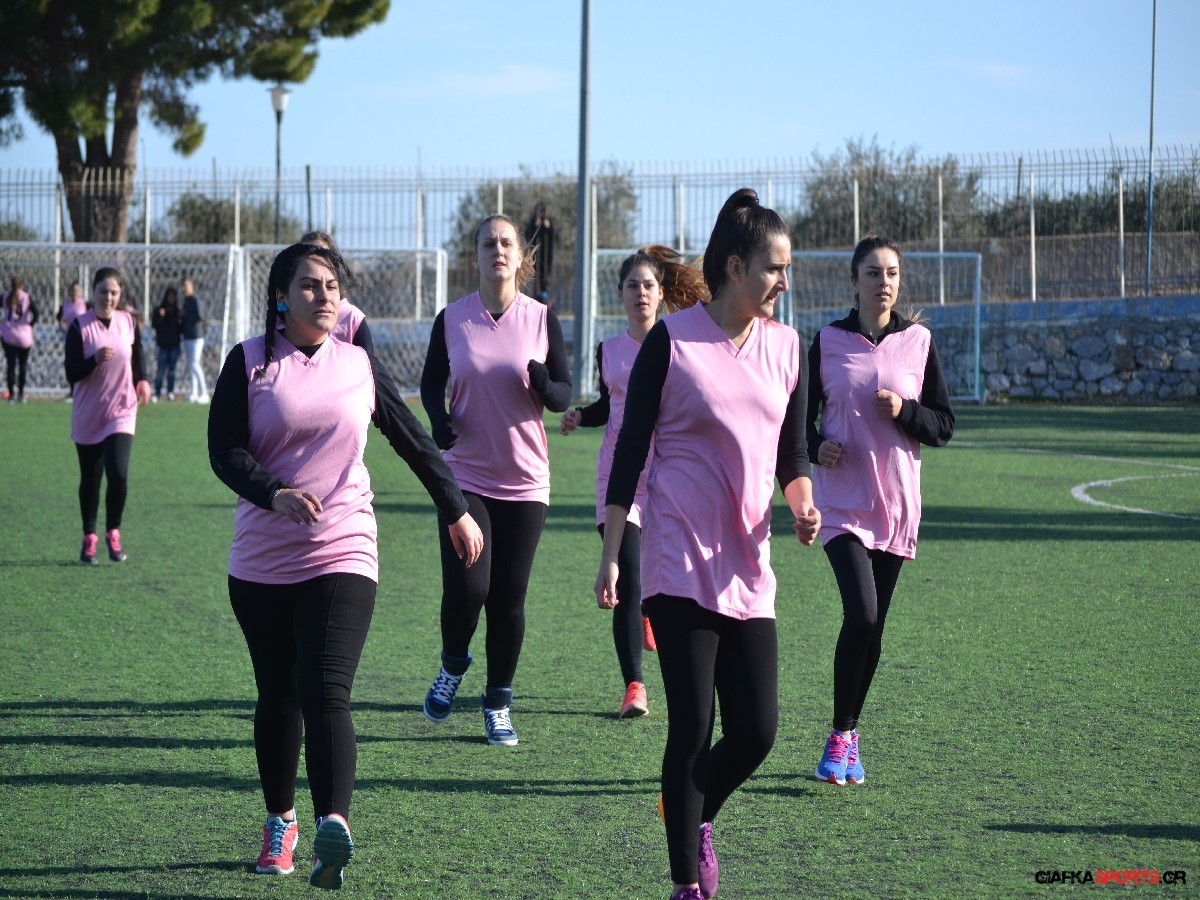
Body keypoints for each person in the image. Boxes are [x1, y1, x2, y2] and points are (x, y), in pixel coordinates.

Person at [208, 241, 483, 889]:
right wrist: (273, 491)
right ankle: (281, 822)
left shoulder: (357, 363)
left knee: (327, 692)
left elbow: (411, 437)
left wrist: (456, 507)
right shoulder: (248, 362)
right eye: (310, 285)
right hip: (262, 560)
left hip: (343, 548)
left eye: (332, 285)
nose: (324, 295)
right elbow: (224, 449)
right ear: (281, 297)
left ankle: (333, 823)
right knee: (279, 695)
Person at [595, 189, 821, 900]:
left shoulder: (788, 348)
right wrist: (611, 551)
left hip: (748, 565)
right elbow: (631, 451)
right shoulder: (673, 341)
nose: (783, 282)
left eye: (786, 269)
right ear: (734, 266)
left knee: (758, 732)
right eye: (774, 268)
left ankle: (692, 815)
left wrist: (803, 504)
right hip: (677, 561)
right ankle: (686, 885)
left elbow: (793, 454)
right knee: (693, 724)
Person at [807, 234, 955, 787]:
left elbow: (942, 424)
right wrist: (816, 444)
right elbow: (797, 422)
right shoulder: (827, 341)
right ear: (854, 281)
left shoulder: (918, 342)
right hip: (842, 505)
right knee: (862, 615)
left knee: (875, 627)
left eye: (891, 273)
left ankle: (848, 734)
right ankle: (839, 736)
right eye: (873, 272)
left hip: (895, 507)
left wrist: (905, 411)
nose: (884, 282)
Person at [419, 213, 571, 746]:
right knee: (469, 587)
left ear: (519, 256)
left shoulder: (542, 318)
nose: (498, 250)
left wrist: (544, 382)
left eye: (507, 243)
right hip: (465, 474)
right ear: (476, 256)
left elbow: (564, 395)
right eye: (489, 243)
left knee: (508, 597)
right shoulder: (452, 318)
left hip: (525, 481)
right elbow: (431, 380)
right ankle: (452, 665)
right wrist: (438, 420)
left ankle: (498, 703)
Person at [560, 246, 707, 718]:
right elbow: (611, 405)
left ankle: (646, 611)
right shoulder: (608, 350)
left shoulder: (679, 345)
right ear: (620, 295)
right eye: (632, 285)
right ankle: (635, 686)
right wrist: (581, 416)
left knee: (650, 577)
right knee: (625, 573)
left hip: (664, 475)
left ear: (661, 294)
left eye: (648, 285)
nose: (641, 292)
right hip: (617, 477)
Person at [64, 268, 152, 564]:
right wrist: (94, 359)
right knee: (91, 479)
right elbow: (71, 373)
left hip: (122, 410)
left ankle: (113, 532)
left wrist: (142, 379)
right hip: (89, 413)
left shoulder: (129, 321)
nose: (109, 297)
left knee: (119, 473)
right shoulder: (79, 326)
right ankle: (89, 538)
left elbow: (137, 354)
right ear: (93, 292)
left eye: (114, 292)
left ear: (120, 294)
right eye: (103, 291)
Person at [300, 230, 375, 354]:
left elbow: (368, 362)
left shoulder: (351, 318)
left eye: (323, 254)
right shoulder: (287, 318)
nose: (316, 260)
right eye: (308, 253)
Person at [2, 277, 38, 404]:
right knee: (23, 366)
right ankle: (21, 394)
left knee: (11, 366)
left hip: (8, 335)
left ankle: (11, 395)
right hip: (24, 337)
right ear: (22, 285)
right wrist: (29, 325)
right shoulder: (26, 297)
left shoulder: (5, 296)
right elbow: (36, 313)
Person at [151, 286, 183, 401]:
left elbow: (180, 329)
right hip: (162, 345)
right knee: (160, 370)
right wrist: (160, 317)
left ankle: (170, 392)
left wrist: (180, 320)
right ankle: (157, 393)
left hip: (174, 345)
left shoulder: (177, 311)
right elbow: (154, 325)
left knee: (172, 370)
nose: (171, 299)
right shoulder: (160, 310)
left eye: (173, 297)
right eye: (169, 296)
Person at [58, 281, 89, 401]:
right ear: (69, 291)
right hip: (70, 339)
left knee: (83, 363)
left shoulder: (85, 304)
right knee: (71, 364)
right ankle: (72, 392)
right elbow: (59, 317)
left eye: (77, 290)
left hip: (84, 338)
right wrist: (63, 328)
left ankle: (84, 391)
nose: (75, 292)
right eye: (73, 290)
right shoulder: (65, 305)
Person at [181, 276, 208, 403]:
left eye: (186, 286)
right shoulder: (185, 301)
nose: (184, 288)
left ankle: (204, 393)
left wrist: (185, 315)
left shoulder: (196, 300)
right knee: (190, 365)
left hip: (197, 336)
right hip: (188, 336)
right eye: (183, 286)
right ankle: (194, 393)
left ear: (192, 287)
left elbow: (200, 316)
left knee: (195, 364)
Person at [525, 201, 554, 305]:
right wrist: (535, 226)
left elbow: (554, 236)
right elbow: (528, 236)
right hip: (535, 254)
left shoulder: (548, 222)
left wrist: (548, 227)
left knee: (545, 276)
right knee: (535, 275)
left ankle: (546, 295)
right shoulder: (533, 222)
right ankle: (535, 295)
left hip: (546, 254)